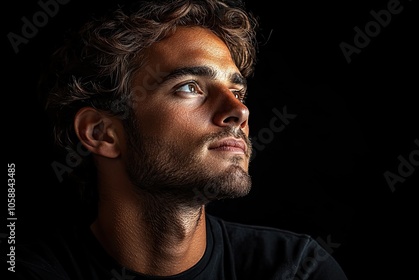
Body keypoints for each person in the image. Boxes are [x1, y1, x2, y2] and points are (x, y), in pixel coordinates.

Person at [9, 0, 348, 279]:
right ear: (102, 133)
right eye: (189, 87)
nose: (238, 112)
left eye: (236, 91)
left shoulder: (296, 270)